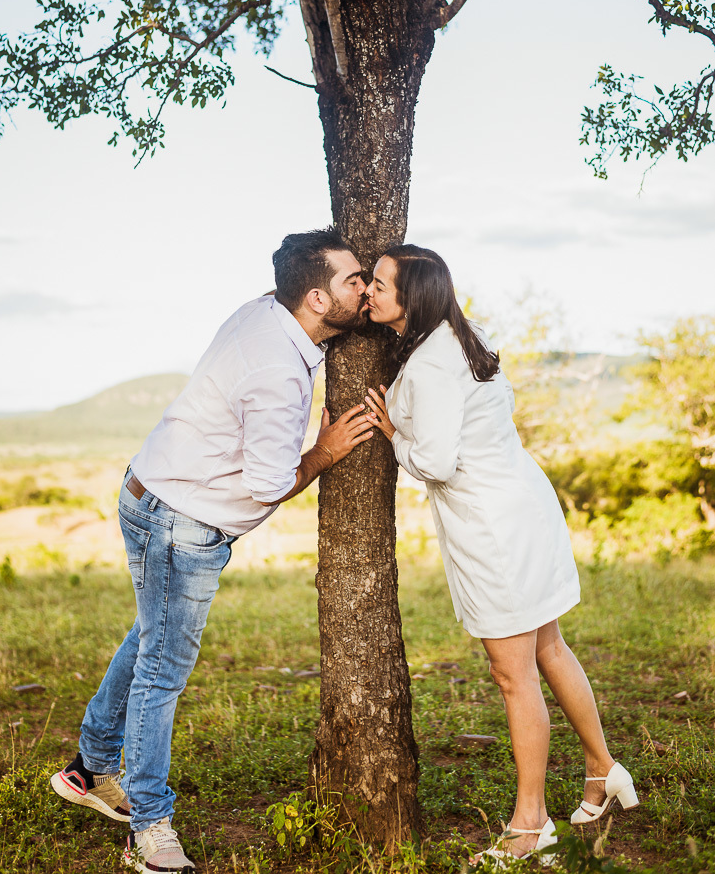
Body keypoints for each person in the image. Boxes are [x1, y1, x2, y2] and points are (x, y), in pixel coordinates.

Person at [50, 228, 374, 874]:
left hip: (150, 491)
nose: (365, 289)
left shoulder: (268, 310)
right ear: (315, 299)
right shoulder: (278, 372)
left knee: (150, 635)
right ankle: (149, 827)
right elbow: (270, 484)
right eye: (353, 281)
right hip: (180, 524)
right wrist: (325, 452)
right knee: (161, 671)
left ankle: (89, 768)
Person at [363, 244, 638, 866]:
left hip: (494, 528)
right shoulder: (466, 334)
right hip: (523, 502)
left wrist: (394, 435)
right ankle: (602, 768)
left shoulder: (431, 363)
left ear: (413, 296)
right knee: (549, 647)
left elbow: (435, 461)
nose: (370, 291)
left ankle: (530, 823)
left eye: (380, 283)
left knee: (514, 675)